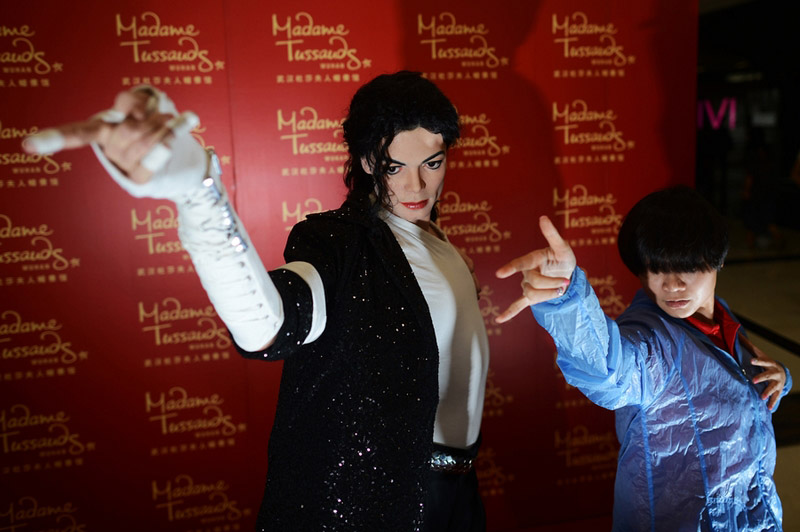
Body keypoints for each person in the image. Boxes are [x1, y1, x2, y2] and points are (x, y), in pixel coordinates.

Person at [23, 71, 489, 531]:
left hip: (460, 491)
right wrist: (199, 194)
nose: (417, 187)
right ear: (367, 161)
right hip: (383, 502)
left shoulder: (438, 240)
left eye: (432, 163)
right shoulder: (338, 243)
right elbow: (269, 322)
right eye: (394, 166)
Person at [494, 186, 792, 531]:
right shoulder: (653, 338)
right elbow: (610, 370)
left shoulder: (720, 316)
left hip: (756, 512)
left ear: (719, 260)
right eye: (655, 268)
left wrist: (781, 379)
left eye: (688, 267)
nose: (672, 285)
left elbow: (739, 388)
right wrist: (565, 299)